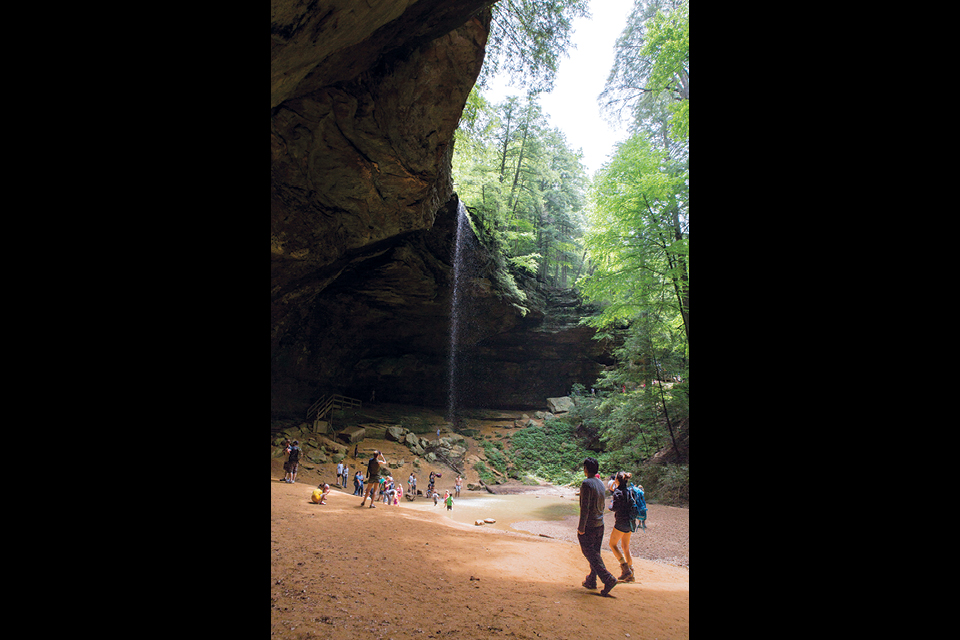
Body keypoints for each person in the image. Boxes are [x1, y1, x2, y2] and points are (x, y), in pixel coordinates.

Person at [577, 457, 617, 596]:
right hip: (600, 524)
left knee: (589, 552)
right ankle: (591, 580)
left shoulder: (586, 483)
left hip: (590, 525)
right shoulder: (600, 482)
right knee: (595, 552)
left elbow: (585, 508)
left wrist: (581, 527)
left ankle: (608, 578)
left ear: (586, 469)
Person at [609, 471, 636, 583]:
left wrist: (611, 502)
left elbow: (613, 508)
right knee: (625, 547)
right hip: (630, 522)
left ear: (617, 480)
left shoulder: (618, 493)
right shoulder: (630, 491)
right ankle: (631, 573)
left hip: (621, 523)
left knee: (612, 544)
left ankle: (625, 569)